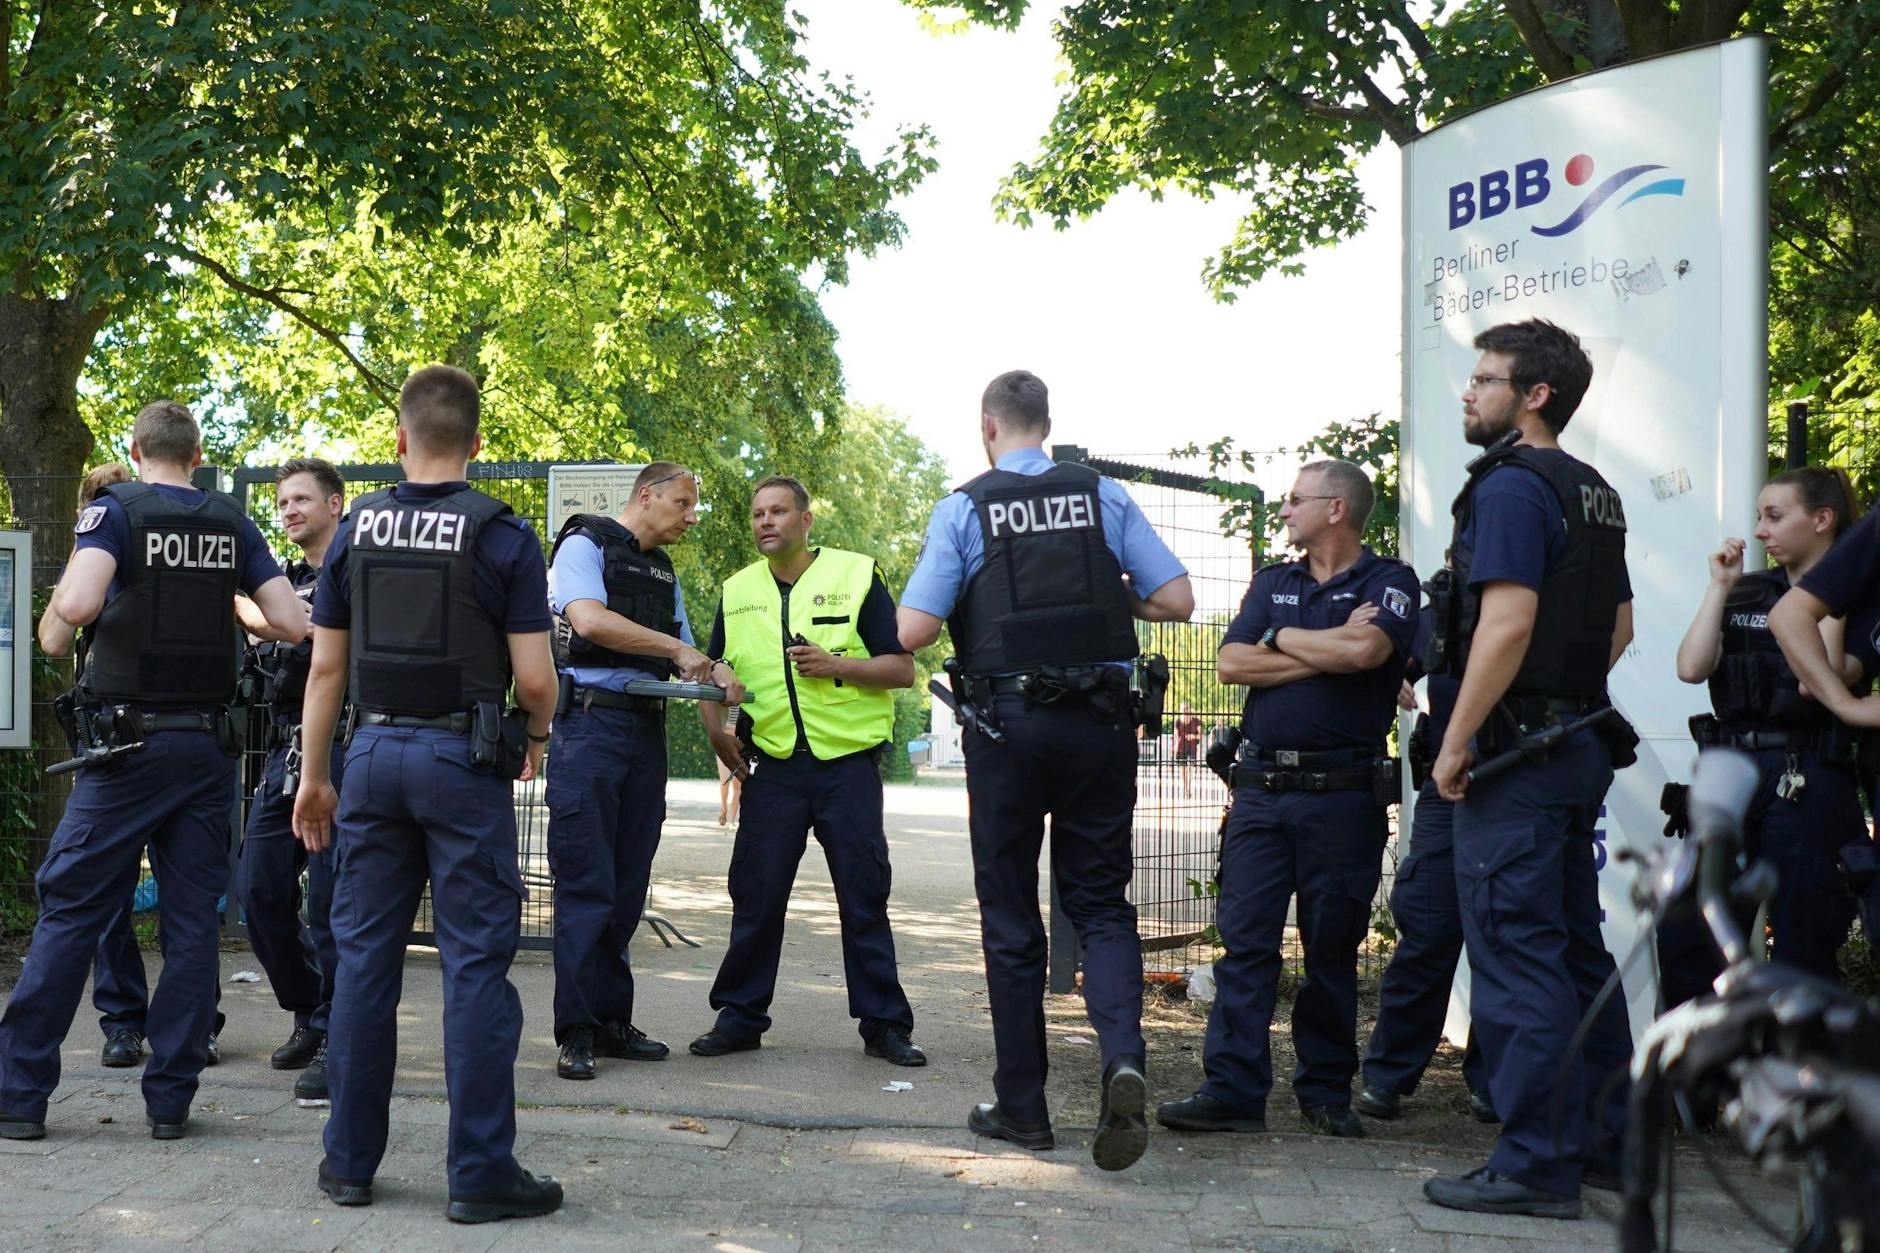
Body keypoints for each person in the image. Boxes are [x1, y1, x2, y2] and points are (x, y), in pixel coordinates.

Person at [897, 370, 1192, 1173]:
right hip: (1101, 723)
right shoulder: (1104, 496)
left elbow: (915, 626)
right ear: (1048, 425)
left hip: (1009, 729)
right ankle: (1121, 1057)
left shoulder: (965, 506)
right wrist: (1111, 597)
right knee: (1100, 902)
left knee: (1010, 914)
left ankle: (1023, 1110)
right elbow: (1177, 599)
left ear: (987, 427)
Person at [291, 365, 563, 1222]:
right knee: (475, 964)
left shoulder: (356, 530)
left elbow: (325, 665)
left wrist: (313, 775)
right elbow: (535, 678)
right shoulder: (504, 537)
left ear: (399, 441)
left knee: (365, 961)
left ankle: (347, 1166)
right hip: (461, 761)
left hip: (369, 757)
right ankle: (480, 1173)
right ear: (478, 445)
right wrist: (539, 735)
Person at [1, 402, 305, 1142]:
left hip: (125, 751)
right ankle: (170, 1101)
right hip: (206, 752)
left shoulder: (114, 513)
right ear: (196, 455)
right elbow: (294, 622)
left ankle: (18, 1095)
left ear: (136, 451)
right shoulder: (231, 522)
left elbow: (71, 607)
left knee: (70, 910)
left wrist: (66, 620)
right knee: (193, 924)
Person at [1423, 319, 1634, 1220]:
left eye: (1485, 378)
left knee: (1517, 956)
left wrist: (1457, 738)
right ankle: (1609, 1146)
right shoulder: (1594, 490)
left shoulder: (1511, 487)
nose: (1468, 392)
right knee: (1577, 951)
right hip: (1573, 747)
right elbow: (1619, 630)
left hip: (1517, 757)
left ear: (1533, 395)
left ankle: (1537, 1164)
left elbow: (1504, 624)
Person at [1157, 459, 1416, 1144]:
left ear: (1337, 509)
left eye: (1297, 500)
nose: (1285, 510)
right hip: (1261, 795)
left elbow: (1368, 651)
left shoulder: (1390, 581)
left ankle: (1327, 1092)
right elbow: (1231, 663)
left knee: (1333, 948)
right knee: (1245, 946)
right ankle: (1233, 1090)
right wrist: (1322, 649)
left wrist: (1284, 638)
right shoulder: (1274, 579)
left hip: (1342, 797)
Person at [692, 475, 925, 1068]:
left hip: (846, 768)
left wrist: (836, 665)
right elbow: (712, 672)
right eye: (757, 514)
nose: (765, 522)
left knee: (863, 896)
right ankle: (740, 1018)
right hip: (772, 769)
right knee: (757, 894)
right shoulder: (737, 589)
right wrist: (718, 735)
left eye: (778, 512)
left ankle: (885, 1025)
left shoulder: (855, 574)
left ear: (805, 520)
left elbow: (901, 670)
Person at [546, 460, 743, 1080]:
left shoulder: (663, 573)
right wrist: (679, 650)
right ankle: (574, 1030)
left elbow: (695, 659)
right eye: (683, 503)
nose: (691, 516)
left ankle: (610, 1021)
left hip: (643, 730)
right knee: (586, 885)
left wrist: (720, 686)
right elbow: (590, 621)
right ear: (646, 495)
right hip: (590, 728)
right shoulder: (584, 544)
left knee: (628, 886)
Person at [1659, 468, 1864, 1003]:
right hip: (1732, 775)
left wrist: (1833, 587)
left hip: (1807, 777)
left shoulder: (1862, 600)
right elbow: (1691, 666)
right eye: (1758, 517)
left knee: (1803, 943)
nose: (1758, 531)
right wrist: (1719, 588)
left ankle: (1799, 1077)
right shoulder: (1750, 591)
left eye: (1774, 517)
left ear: (1823, 521)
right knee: (1687, 934)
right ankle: (1698, 1076)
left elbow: (1818, 679)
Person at [227, 458, 348, 1105]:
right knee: (260, 888)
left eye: (302, 498)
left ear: (336, 503)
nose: (290, 510)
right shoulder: (285, 581)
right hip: (285, 753)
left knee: (330, 905)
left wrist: (246, 611)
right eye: (282, 502)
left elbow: (306, 636)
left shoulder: (353, 572)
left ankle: (334, 1030)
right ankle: (306, 1007)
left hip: (346, 750)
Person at [1356, 635, 1494, 1126]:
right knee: (1429, 929)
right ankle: (1387, 1076)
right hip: (1443, 782)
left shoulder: (1531, 594)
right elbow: (1392, 660)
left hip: (1511, 775)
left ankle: (1495, 1082)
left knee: (1500, 935)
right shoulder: (1440, 607)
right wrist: (1397, 676)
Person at [1173, 703, 1203, 797]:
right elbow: (1175, 736)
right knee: (1183, 769)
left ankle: (1188, 788)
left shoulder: (1196, 721)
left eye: (1187, 709)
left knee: (1190, 769)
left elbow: (1201, 735)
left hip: (1192, 747)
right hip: (1181, 748)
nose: (1185, 711)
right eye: (1183, 709)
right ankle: (1185, 789)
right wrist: (1174, 749)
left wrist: (1193, 736)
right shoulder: (1178, 721)